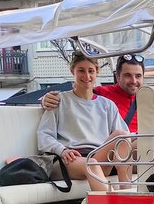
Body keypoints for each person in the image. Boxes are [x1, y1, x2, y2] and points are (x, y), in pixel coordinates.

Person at [38, 51, 131, 192]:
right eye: (81, 70)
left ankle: (128, 195)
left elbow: (125, 139)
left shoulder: (107, 105)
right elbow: (44, 135)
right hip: (70, 159)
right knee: (91, 164)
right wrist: (62, 150)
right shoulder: (59, 100)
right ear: (72, 71)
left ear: (96, 73)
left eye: (91, 71)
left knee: (122, 135)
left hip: (98, 156)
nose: (86, 76)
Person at [42, 54, 144, 132]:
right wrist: (45, 99)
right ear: (117, 77)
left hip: (142, 151)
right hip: (114, 149)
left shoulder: (150, 100)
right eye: (128, 75)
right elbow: (79, 95)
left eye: (138, 76)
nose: (134, 81)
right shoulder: (103, 94)